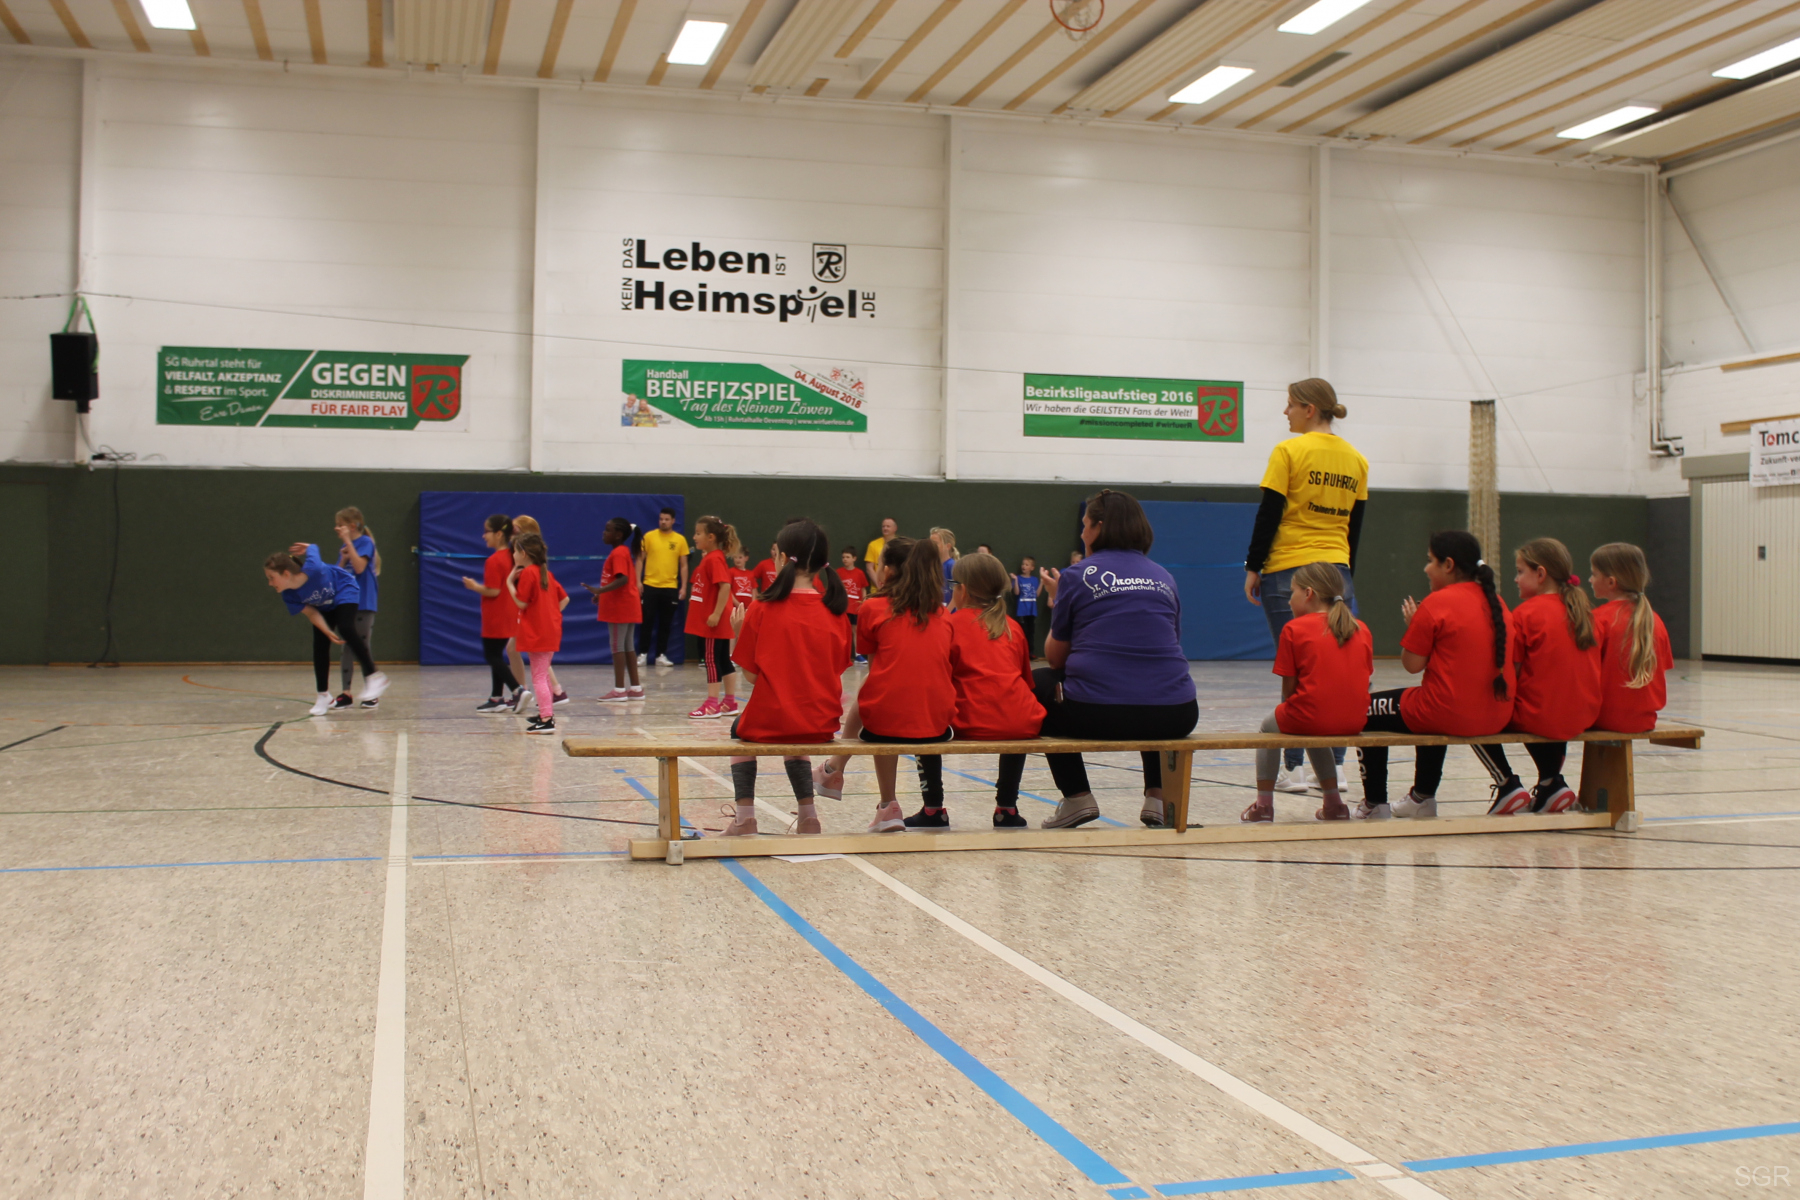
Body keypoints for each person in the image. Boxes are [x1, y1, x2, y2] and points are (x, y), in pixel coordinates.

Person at [1034, 490, 1198, 829]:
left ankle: (1077, 796)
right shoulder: (1164, 577)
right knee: (1150, 684)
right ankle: (1157, 797)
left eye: (1085, 525)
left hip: (1098, 714)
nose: (1082, 533)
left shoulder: (1077, 576)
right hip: (1177, 714)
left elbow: (1055, 658)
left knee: (1036, 685)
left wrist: (1058, 600)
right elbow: (1171, 640)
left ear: (1099, 527)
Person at [1244, 378, 1367, 794]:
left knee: (1295, 671)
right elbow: (1354, 527)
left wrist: (1254, 566)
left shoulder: (1289, 451)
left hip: (1289, 571)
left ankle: (1294, 768)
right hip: (1338, 570)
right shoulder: (1356, 459)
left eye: (1291, 405)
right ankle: (1336, 767)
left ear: (1310, 409)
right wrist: (1346, 574)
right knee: (1342, 669)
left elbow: (1269, 513)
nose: (1286, 412)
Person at [1358, 531, 1514, 820]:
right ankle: (1421, 797)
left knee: (1364, 708)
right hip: (1497, 713)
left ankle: (1374, 803)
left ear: (1449, 565)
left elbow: (1412, 665)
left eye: (1430, 560)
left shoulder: (1437, 602)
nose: (1426, 568)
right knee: (1429, 704)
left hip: (1449, 712)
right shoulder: (1498, 603)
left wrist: (1415, 625)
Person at [721, 518, 853, 836]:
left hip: (775, 720)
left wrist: (739, 634)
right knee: (796, 730)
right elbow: (834, 670)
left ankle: (744, 818)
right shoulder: (836, 613)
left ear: (781, 557)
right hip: (821, 723)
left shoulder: (761, 608)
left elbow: (752, 677)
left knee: (740, 732)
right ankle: (809, 817)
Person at [1472, 538, 1599, 814]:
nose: (1515, 579)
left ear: (1540, 574)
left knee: (1469, 714)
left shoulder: (1525, 614)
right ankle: (1550, 782)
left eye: (1520, 572)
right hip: (1583, 714)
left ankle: (1507, 784)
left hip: (1543, 716)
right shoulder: (1584, 612)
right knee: (1552, 703)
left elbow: (1512, 675)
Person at [924, 552, 1045, 830]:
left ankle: (933, 810)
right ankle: (1007, 808)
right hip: (1022, 723)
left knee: (923, 715)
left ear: (963, 590)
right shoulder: (1013, 627)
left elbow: (936, 683)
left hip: (969, 722)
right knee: (1014, 714)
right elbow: (1025, 683)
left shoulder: (948, 625)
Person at [1241, 562, 1369, 823]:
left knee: (1269, 728)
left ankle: (1263, 805)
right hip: (1356, 719)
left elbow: (1289, 691)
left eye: (1293, 592)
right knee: (1313, 727)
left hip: (1312, 716)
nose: (1289, 600)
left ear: (1308, 593)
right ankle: (1334, 803)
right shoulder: (1360, 628)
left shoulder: (1294, 629)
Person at [847, 538, 955, 832]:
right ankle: (927, 806)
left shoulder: (872, 607)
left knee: (882, 700)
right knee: (910, 701)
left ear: (889, 571)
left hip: (888, 722)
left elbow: (876, 673)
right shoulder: (944, 614)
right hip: (939, 725)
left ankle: (886, 803)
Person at [264, 544, 389, 716]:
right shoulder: (289, 595)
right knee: (320, 644)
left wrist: (307, 547)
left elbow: (314, 547)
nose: (270, 583)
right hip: (324, 605)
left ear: (286, 574)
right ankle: (323, 696)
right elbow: (311, 613)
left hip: (344, 588)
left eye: (272, 578)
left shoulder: (313, 568)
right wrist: (327, 630)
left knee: (345, 627)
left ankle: (375, 677)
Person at [1590, 541, 1674, 734]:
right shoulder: (1655, 620)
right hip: (1644, 720)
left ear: (1611, 582)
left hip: (1603, 717)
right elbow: (1663, 669)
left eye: (1594, 574)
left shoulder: (1599, 619)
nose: (1590, 580)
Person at [463, 514, 526, 713]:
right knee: (497, 654)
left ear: (499, 534)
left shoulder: (494, 561)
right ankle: (496, 697)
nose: (484, 536)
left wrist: (474, 586)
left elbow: (493, 591)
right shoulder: (512, 557)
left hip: (496, 615)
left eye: (487, 531)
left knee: (491, 655)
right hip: (509, 612)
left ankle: (517, 689)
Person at [507, 532, 567, 734]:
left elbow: (521, 603)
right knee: (543, 675)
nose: (513, 555)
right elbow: (565, 599)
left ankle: (547, 719)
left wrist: (509, 584)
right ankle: (545, 713)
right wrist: (549, 615)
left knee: (539, 677)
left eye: (515, 551)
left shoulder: (528, 573)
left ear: (523, 553)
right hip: (550, 631)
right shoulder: (546, 573)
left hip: (537, 633)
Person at [685, 516, 742, 719]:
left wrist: (716, 613)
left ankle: (711, 705)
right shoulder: (711, 558)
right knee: (723, 659)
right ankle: (730, 702)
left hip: (713, 622)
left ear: (710, 537)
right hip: (714, 619)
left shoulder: (714, 559)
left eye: (698, 533)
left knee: (711, 660)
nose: (694, 537)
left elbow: (725, 586)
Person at [586, 518, 645, 703]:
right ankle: (636, 688)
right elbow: (616, 580)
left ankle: (619, 690)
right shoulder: (622, 551)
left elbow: (623, 579)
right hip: (628, 605)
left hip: (620, 608)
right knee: (628, 646)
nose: (604, 533)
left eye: (607, 530)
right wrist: (602, 594)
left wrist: (600, 590)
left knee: (617, 647)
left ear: (618, 535)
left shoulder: (618, 553)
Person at [328, 507, 380, 711]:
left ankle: (373, 691)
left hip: (364, 600)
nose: (337, 528)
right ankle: (346, 693)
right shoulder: (345, 546)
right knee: (347, 646)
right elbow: (337, 574)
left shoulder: (365, 542)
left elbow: (359, 567)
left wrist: (349, 544)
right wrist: (342, 558)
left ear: (351, 526)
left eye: (340, 525)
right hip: (347, 601)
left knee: (362, 645)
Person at [638, 508, 688, 667]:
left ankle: (661, 655)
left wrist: (683, 587)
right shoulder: (649, 537)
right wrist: (638, 581)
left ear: (673, 521)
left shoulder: (680, 540)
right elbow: (639, 560)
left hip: (670, 587)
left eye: (666, 519)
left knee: (666, 623)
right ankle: (643, 654)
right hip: (650, 585)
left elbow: (684, 565)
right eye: (661, 519)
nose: (663, 522)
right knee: (647, 621)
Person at [836, 547, 867, 663]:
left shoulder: (859, 573)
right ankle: (842, 654)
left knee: (855, 630)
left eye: (848, 557)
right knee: (843, 630)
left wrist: (863, 602)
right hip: (843, 607)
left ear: (854, 558)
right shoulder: (838, 572)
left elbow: (863, 589)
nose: (845, 559)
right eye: (843, 557)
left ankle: (858, 655)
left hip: (855, 608)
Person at [1012, 555, 1040, 659]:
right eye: (1023, 564)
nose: (1024, 566)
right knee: (1022, 632)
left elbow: (1037, 594)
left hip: (1032, 611)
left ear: (1032, 568)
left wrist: (1042, 583)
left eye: (1027, 564)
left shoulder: (1035, 580)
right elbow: (1016, 592)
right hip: (1022, 611)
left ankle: (1030, 652)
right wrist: (1015, 580)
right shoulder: (1018, 578)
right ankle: (1021, 653)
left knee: (1030, 632)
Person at [864, 517, 898, 587]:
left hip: (897, 588)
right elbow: (869, 568)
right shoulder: (873, 545)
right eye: (883, 526)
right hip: (878, 589)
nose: (885, 528)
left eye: (888, 526)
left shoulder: (901, 543)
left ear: (895, 528)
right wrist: (879, 586)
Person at [930, 526, 959, 604]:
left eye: (935, 543)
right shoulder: (933, 566)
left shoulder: (951, 566)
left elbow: (956, 594)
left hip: (947, 609)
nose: (931, 546)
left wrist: (948, 611)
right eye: (930, 543)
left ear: (948, 546)